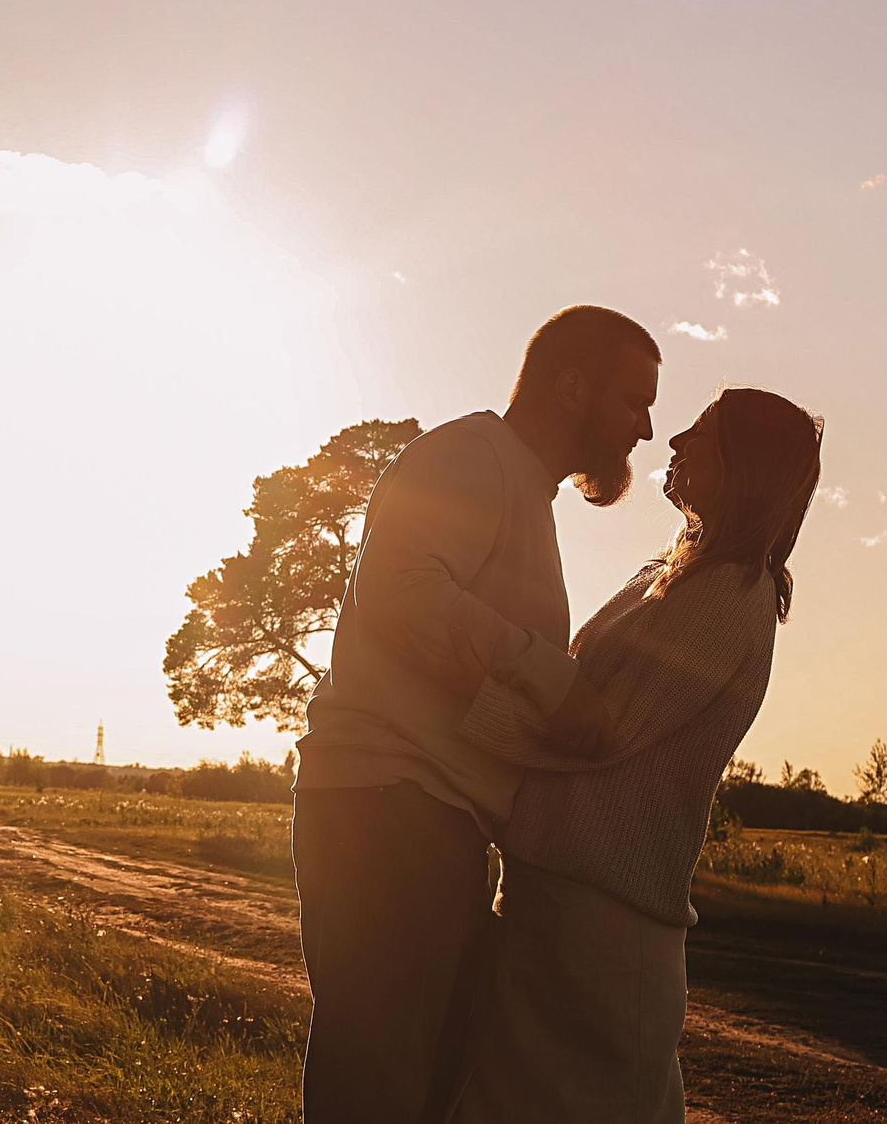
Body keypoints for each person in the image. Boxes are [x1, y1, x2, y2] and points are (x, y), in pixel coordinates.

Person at [292, 305, 662, 1124]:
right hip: (389, 808)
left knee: (427, 1084)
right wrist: (552, 680)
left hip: (434, 815)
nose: (644, 428)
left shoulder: (525, 490)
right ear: (572, 387)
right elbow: (398, 589)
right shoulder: (468, 456)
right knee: (378, 1085)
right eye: (635, 400)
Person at [452, 386, 824, 1124]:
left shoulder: (726, 592)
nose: (675, 438)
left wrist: (453, 699)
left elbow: (598, 727)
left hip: (601, 923)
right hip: (567, 903)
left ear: (743, 465)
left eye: (704, 429)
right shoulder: (682, 572)